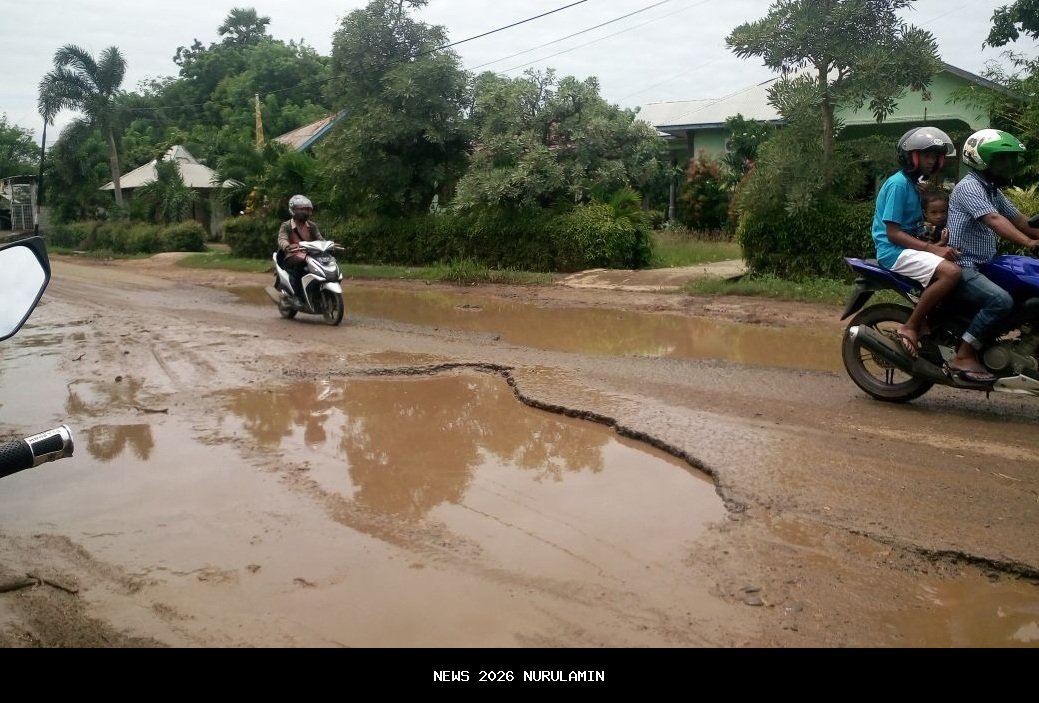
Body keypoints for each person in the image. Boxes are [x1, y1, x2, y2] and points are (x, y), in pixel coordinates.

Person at [946, 129, 1039, 382]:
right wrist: (1029, 242)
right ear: (981, 160)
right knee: (1001, 300)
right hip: (964, 264)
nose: (1009, 165)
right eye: (1002, 159)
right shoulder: (969, 187)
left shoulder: (992, 191)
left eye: (1011, 159)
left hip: (984, 264)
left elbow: (1021, 221)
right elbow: (994, 220)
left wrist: (1033, 234)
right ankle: (963, 354)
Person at [871, 126, 961, 359]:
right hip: (893, 251)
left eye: (935, 156)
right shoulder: (898, 185)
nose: (932, 161)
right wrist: (933, 249)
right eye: (926, 155)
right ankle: (910, 326)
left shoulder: (912, 185)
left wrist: (938, 247)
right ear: (911, 156)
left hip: (907, 248)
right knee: (951, 274)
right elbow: (893, 233)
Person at [277, 194, 323, 305]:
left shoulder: (312, 226)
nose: (305, 212)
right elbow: (282, 238)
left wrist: (328, 245)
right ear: (293, 210)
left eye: (307, 209)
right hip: (291, 256)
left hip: (309, 255)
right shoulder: (286, 225)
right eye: (302, 209)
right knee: (301, 266)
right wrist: (287, 246)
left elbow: (320, 239)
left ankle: (317, 292)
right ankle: (296, 296)